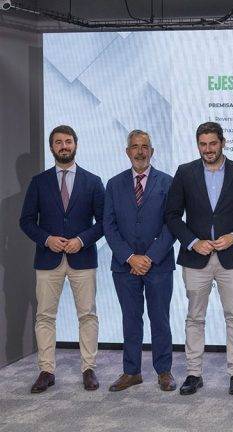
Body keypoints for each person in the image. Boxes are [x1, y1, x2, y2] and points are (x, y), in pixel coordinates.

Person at [165, 121, 233, 396]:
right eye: (203, 144)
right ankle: (194, 374)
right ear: (198, 145)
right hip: (196, 258)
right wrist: (193, 242)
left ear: (223, 143)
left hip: (231, 257)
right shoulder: (185, 172)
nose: (208, 149)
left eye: (213, 143)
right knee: (195, 317)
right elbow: (172, 215)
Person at [20, 125, 104, 393]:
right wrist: (47, 239)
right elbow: (26, 221)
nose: (64, 146)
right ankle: (46, 371)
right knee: (45, 316)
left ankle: (88, 368)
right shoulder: (39, 182)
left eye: (68, 141)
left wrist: (81, 240)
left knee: (87, 315)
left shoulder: (93, 181)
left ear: (76, 144)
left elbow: (104, 222)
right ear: (52, 147)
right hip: (48, 258)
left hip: (83, 257)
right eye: (58, 142)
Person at [103, 130, 176, 392]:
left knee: (160, 319)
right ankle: (131, 372)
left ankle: (164, 371)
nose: (140, 151)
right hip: (125, 266)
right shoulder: (114, 184)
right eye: (134, 146)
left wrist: (150, 257)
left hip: (159, 265)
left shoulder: (167, 182)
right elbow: (109, 226)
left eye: (144, 146)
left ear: (152, 151)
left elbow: (172, 224)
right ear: (127, 152)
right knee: (130, 319)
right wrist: (130, 257)